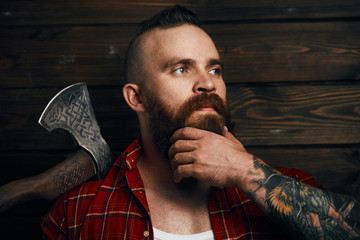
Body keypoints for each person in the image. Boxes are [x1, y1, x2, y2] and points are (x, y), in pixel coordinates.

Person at [41, 5, 360, 240]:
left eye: (215, 70)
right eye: (181, 69)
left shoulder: (290, 191)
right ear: (136, 98)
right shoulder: (78, 212)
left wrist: (246, 173)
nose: (208, 83)